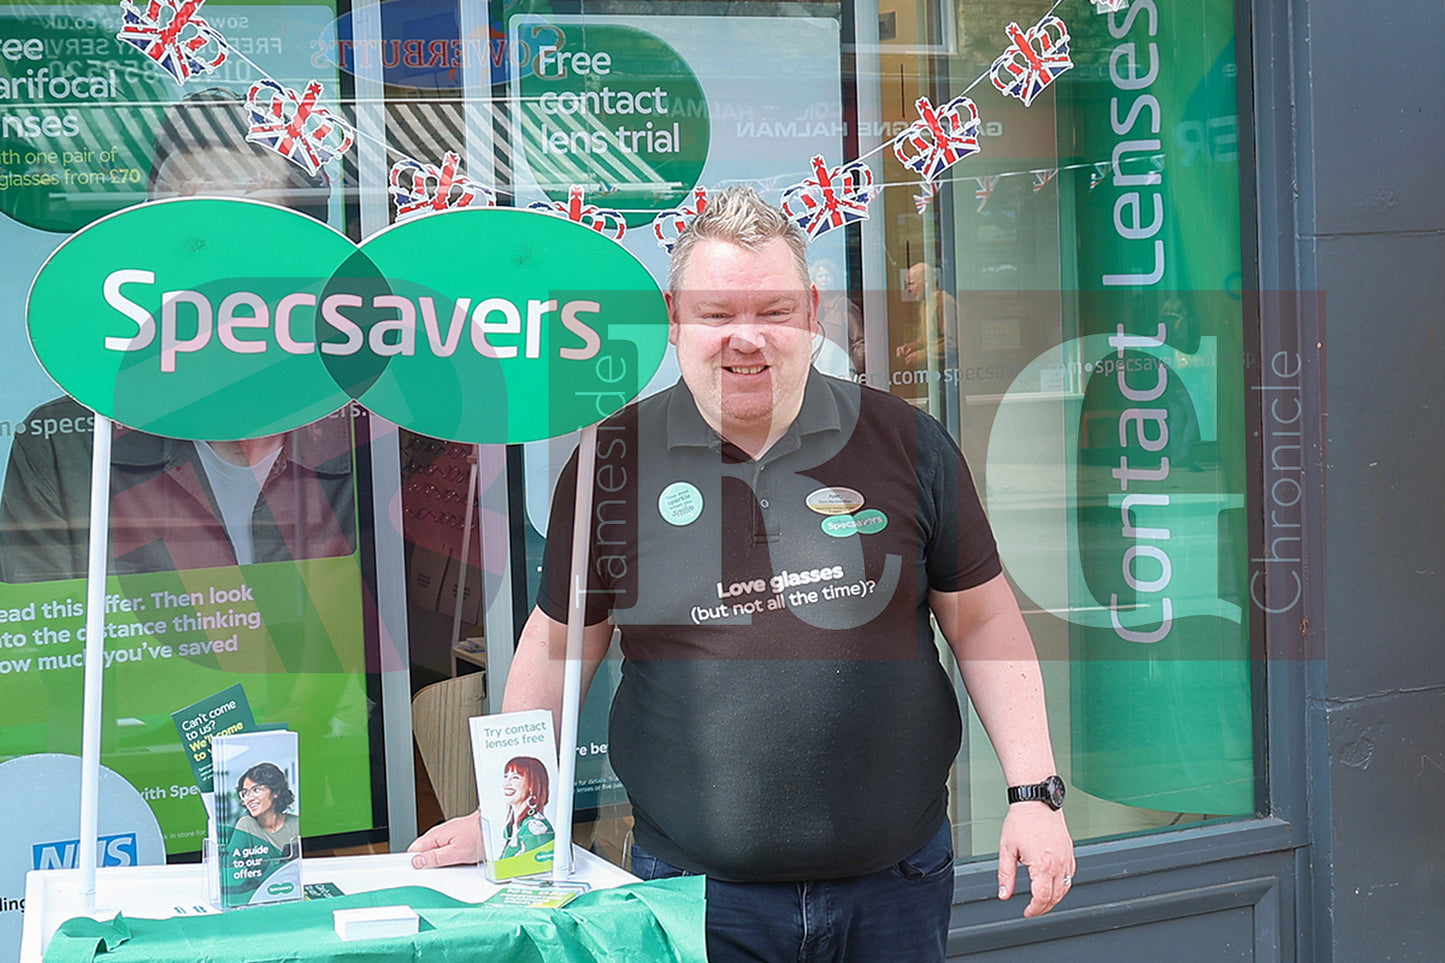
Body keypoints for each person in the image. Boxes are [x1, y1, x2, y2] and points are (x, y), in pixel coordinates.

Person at [409, 187, 1073, 962]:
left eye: (774, 310)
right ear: (674, 318)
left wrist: (1034, 793)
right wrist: (505, 814)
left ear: (812, 313)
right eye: (716, 313)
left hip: (893, 883)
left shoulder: (906, 442)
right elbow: (558, 645)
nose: (746, 338)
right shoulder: (608, 465)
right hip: (694, 895)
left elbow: (983, 620)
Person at [0, 90, 353, 583]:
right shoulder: (69, 443)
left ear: (303, 261)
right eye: (184, 239)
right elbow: (43, 624)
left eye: (241, 239)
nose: (208, 274)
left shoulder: (368, 430)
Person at [232, 761, 299, 857]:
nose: (249, 798)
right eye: (245, 793)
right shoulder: (246, 825)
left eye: (256, 790)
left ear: (276, 792)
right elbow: (232, 863)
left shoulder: (297, 825)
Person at [499, 756, 554, 859]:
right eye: (506, 776)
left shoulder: (534, 829)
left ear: (532, 785)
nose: (506, 783)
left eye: (515, 777)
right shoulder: (511, 826)